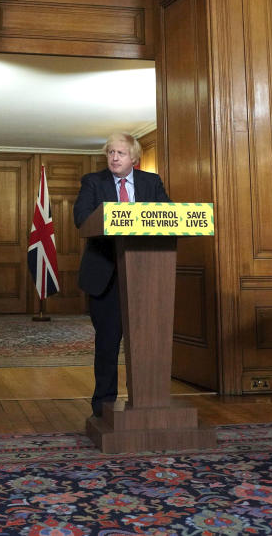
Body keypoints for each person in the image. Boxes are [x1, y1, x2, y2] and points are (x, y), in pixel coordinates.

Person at [72, 133, 170, 418]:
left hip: (146, 277)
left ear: (134, 159)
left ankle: (147, 402)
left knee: (147, 344)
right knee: (107, 343)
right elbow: (81, 219)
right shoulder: (93, 182)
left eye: (121, 153)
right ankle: (103, 407)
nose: (114, 158)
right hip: (106, 277)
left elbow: (169, 215)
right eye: (111, 153)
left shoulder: (152, 183)